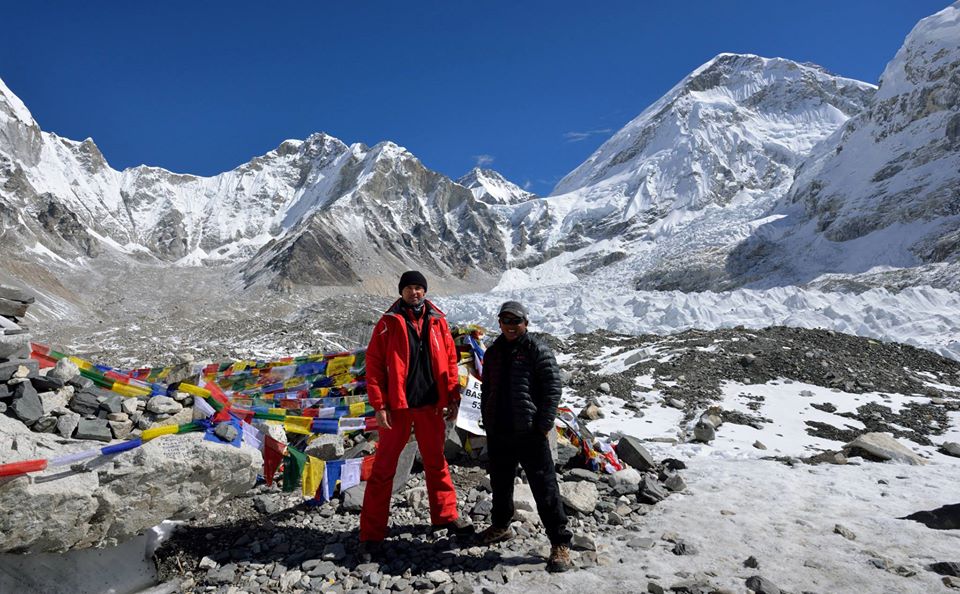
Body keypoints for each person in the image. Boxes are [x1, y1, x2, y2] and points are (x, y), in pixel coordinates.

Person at [360, 270, 472, 544]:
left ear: (425, 291)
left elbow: (448, 361)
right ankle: (372, 534)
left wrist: (452, 398)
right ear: (401, 291)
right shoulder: (388, 323)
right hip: (397, 408)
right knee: (384, 469)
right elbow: (374, 365)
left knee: (436, 463)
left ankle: (445, 516)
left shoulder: (438, 321)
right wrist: (380, 404)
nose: (415, 292)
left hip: (430, 406)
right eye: (409, 288)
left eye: (419, 288)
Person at [478, 300, 574, 573]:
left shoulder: (537, 350)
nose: (510, 325)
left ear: (525, 323)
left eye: (515, 321)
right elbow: (487, 388)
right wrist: (488, 418)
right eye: (505, 321)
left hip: (530, 432)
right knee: (500, 482)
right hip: (499, 431)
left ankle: (560, 542)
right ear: (500, 323)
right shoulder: (494, 352)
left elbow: (552, 387)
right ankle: (500, 526)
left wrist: (543, 425)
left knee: (545, 488)